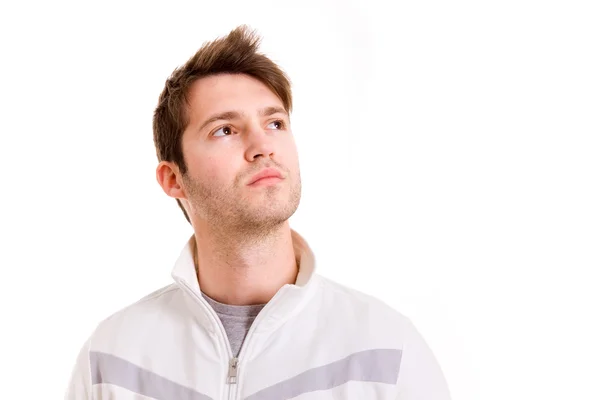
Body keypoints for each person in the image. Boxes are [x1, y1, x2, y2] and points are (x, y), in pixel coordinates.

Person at [65, 25, 452, 400]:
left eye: (275, 123)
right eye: (225, 130)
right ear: (173, 179)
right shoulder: (112, 363)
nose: (263, 145)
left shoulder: (385, 353)